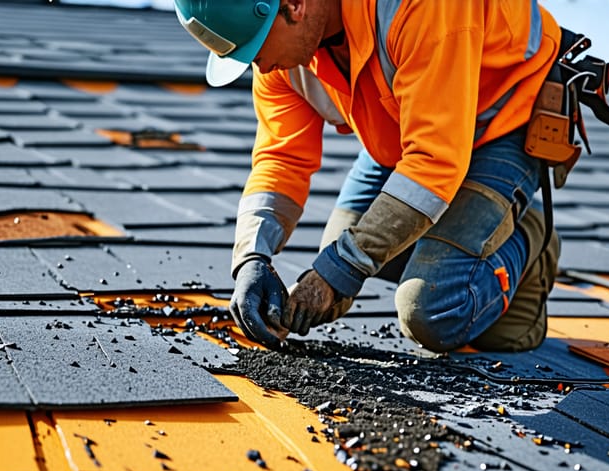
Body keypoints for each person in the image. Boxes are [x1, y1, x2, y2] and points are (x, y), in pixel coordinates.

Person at [173, 0, 568, 353]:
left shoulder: (419, 7)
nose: (258, 67)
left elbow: (434, 161)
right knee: (335, 281)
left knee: (433, 312)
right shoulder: (281, 51)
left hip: (497, 124)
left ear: (294, 6)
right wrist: (251, 256)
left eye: (255, 49)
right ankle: (451, 236)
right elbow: (282, 158)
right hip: (406, 135)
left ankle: (527, 235)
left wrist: (338, 270)